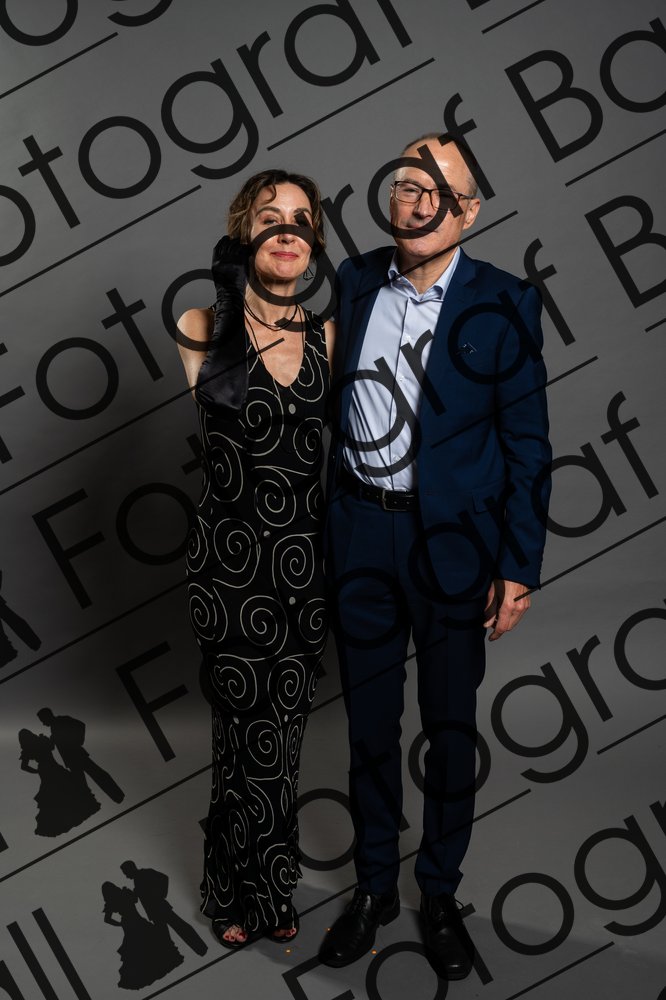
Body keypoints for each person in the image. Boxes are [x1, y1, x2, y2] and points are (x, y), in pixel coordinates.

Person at [318, 134, 552, 979]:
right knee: (370, 726)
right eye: (406, 188)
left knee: (449, 727)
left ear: (470, 211)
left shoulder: (506, 301)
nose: (417, 206)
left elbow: (529, 444)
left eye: (437, 194)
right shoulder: (354, 281)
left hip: (455, 547)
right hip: (361, 532)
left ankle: (440, 892)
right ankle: (374, 887)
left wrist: (518, 565)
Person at [176, 169, 333, 950]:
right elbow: (217, 403)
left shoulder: (330, 336)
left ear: (314, 243)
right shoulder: (201, 323)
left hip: (304, 568)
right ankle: (230, 888)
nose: (287, 229)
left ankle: (272, 885)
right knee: (239, 734)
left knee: (286, 734)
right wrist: (232, 291)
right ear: (243, 233)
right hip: (229, 567)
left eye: (302, 219)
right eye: (271, 217)